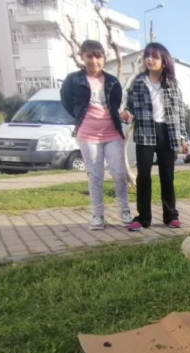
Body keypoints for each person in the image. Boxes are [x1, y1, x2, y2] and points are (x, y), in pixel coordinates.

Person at [60, 40, 132, 230]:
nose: (94, 60)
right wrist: (80, 117)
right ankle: (98, 215)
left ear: (104, 58)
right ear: (82, 57)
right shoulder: (73, 80)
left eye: (98, 55)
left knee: (119, 174)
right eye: (89, 55)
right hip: (87, 135)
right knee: (95, 176)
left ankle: (125, 211)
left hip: (112, 133)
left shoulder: (113, 81)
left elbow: (115, 105)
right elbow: (67, 103)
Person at [120, 42, 188, 232]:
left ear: (164, 61)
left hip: (167, 132)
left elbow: (179, 112)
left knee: (167, 176)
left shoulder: (172, 84)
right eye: (147, 55)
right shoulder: (139, 82)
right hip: (145, 133)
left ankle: (171, 216)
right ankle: (143, 218)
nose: (149, 59)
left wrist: (182, 137)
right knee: (144, 178)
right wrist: (126, 114)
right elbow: (130, 107)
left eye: (155, 56)